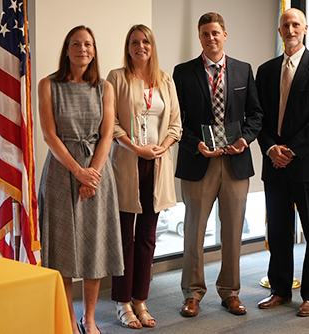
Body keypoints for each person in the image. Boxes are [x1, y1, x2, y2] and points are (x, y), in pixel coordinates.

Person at [173, 12, 263, 317]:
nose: (210, 38)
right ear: (199, 38)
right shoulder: (183, 73)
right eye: (205, 34)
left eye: (215, 33)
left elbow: (256, 115)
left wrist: (245, 140)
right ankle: (193, 293)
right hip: (199, 161)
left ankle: (230, 292)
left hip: (235, 162)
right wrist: (194, 144)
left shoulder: (242, 70)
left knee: (233, 232)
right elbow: (176, 120)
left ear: (225, 34)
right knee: (194, 232)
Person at [37, 26, 124, 334]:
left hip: (98, 174)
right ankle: (68, 319)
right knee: (61, 248)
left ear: (94, 50)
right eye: (76, 44)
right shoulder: (47, 84)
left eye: (88, 44)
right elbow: (49, 134)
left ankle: (89, 317)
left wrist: (93, 176)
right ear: (67, 49)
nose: (82, 49)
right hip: (62, 172)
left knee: (94, 246)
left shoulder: (105, 87)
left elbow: (106, 134)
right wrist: (78, 171)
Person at [255, 8, 309, 317]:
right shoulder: (265, 71)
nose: (290, 29)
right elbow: (257, 117)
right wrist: (271, 148)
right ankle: (279, 289)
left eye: (295, 24)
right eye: (285, 25)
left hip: (308, 164)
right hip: (274, 164)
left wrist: (290, 150)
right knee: (278, 231)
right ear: (279, 31)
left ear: (305, 28)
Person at [107, 24, 182, 329]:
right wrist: (135, 148)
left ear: (152, 46)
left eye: (146, 42)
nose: (141, 46)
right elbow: (109, 121)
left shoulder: (165, 80)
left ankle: (140, 299)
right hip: (127, 163)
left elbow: (176, 123)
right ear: (128, 47)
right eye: (135, 42)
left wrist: (160, 148)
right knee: (124, 236)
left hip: (157, 164)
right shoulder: (116, 77)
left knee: (148, 238)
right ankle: (123, 303)